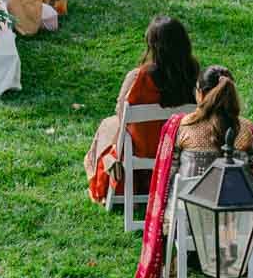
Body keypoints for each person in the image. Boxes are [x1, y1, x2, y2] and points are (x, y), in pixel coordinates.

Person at [134, 66, 253, 278]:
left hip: (191, 225)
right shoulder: (246, 130)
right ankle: (242, 267)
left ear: (200, 94)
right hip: (238, 229)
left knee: (173, 195)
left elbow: (165, 179)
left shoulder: (180, 127)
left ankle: (176, 264)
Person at [83, 15, 199, 204]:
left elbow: (122, 115)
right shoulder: (194, 76)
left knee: (108, 125)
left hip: (143, 151)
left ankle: (114, 183)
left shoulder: (140, 78)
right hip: (177, 148)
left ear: (153, 46)